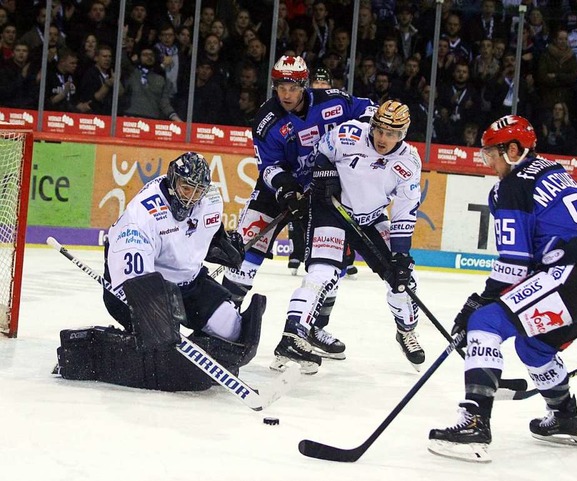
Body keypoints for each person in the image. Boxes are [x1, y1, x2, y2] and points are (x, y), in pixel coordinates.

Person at [428, 115, 577, 463]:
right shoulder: (552, 171)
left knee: (486, 323)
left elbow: (516, 263)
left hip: (569, 278)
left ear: (514, 150)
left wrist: (480, 302)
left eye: (491, 154)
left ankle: (475, 422)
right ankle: (564, 415)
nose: (488, 162)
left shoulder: (513, 185)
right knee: (533, 347)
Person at [58, 152, 266, 392]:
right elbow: (134, 279)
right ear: (172, 180)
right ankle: (96, 351)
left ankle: (191, 354)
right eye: (187, 189)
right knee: (158, 346)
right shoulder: (142, 217)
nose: (191, 199)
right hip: (137, 290)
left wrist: (221, 243)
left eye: (198, 191)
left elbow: (203, 233)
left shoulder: (210, 199)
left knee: (232, 331)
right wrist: (155, 315)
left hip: (189, 283)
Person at [221, 55, 375, 362]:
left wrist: (359, 144)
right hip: (276, 192)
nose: (286, 94)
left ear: (304, 85)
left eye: (292, 87)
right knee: (246, 254)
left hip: (322, 191)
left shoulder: (334, 101)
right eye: (280, 87)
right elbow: (267, 167)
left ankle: (314, 328)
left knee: (332, 262)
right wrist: (287, 188)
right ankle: (221, 320)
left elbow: (370, 111)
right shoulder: (268, 120)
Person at [271, 100, 424, 374]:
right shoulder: (348, 134)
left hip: (371, 218)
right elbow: (322, 152)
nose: (382, 138)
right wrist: (325, 175)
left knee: (404, 278)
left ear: (403, 134)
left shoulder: (409, 162)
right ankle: (293, 335)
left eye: (391, 134)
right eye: (379, 130)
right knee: (323, 274)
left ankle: (406, 331)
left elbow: (404, 213)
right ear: (373, 125)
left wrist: (401, 255)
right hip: (332, 210)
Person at [287, 66, 359, 279]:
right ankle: (298, 253)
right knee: (299, 210)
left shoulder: (336, 105)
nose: (319, 87)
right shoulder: (303, 107)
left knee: (341, 212)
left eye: (323, 83)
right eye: (315, 83)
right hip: (306, 169)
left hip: (332, 171)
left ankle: (344, 254)